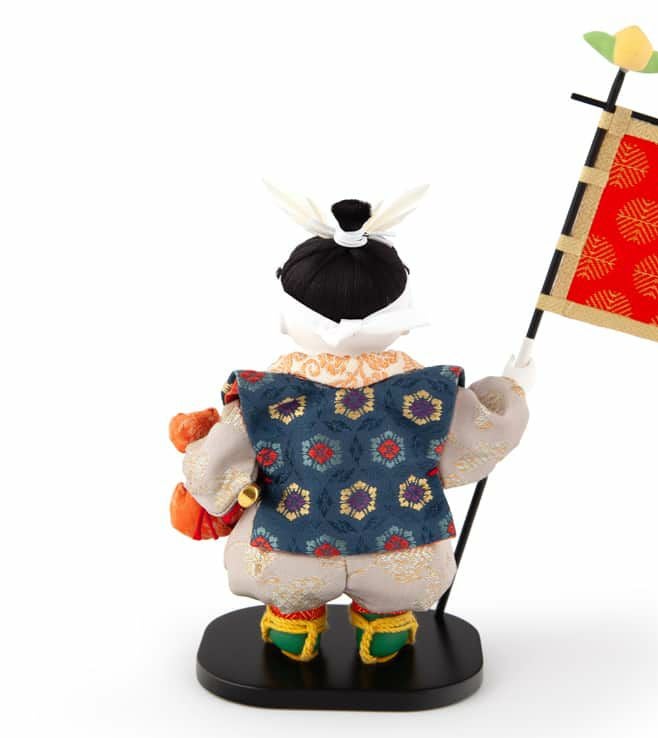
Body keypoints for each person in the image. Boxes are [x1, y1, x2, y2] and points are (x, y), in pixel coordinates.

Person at [169, 190, 533, 664]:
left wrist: (206, 470)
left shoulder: (265, 396)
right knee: (399, 585)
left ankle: (292, 626)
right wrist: (511, 390)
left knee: (285, 585)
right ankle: (387, 626)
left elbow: (214, 468)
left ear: (289, 314)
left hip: (286, 550)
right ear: (402, 315)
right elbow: (482, 437)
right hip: (403, 550)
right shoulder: (429, 394)